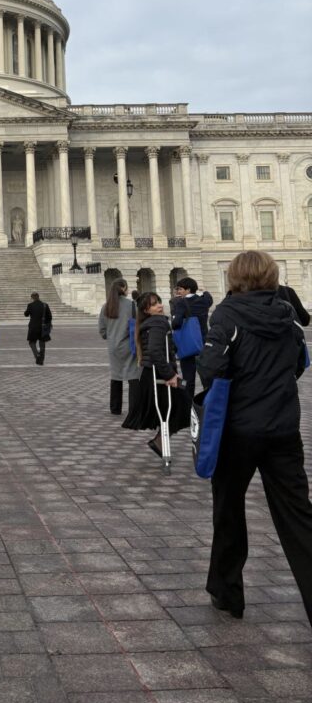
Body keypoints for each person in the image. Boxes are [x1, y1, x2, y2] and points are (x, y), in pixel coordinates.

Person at [199, 251, 311, 624]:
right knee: (298, 517)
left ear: (234, 277)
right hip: (282, 428)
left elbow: (212, 369)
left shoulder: (227, 316)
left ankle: (228, 592)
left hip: (238, 430)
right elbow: (298, 363)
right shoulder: (287, 317)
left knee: (229, 509)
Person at [122, 292, 190, 456]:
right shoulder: (159, 322)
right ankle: (159, 441)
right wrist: (170, 375)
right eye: (154, 304)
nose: (159, 305)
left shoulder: (147, 323)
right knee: (183, 408)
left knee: (174, 410)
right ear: (146, 309)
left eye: (159, 302)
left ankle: (160, 441)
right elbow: (154, 351)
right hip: (158, 374)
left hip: (149, 373)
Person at [98, 278, 140, 416]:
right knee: (133, 376)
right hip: (129, 344)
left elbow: (102, 330)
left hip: (113, 346)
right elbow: (138, 325)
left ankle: (115, 408)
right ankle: (134, 409)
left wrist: (110, 337)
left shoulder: (106, 306)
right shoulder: (132, 305)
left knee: (116, 376)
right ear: (123, 288)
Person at [171, 277, 213, 405]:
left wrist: (174, 320)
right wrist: (203, 290)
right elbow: (209, 297)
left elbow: (176, 323)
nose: (178, 291)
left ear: (188, 289)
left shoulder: (181, 303)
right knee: (206, 377)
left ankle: (188, 405)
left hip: (188, 345)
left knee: (187, 379)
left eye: (180, 289)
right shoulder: (204, 300)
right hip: (204, 343)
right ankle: (208, 402)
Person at [25, 291, 52, 365]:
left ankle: (37, 355)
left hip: (33, 327)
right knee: (42, 343)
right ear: (38, 296)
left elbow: (26, 314)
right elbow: (49, 317)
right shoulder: (45, 305)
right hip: (43, 327)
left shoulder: (30, 305)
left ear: (32, 297)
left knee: (31, 342)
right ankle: (41, 360)